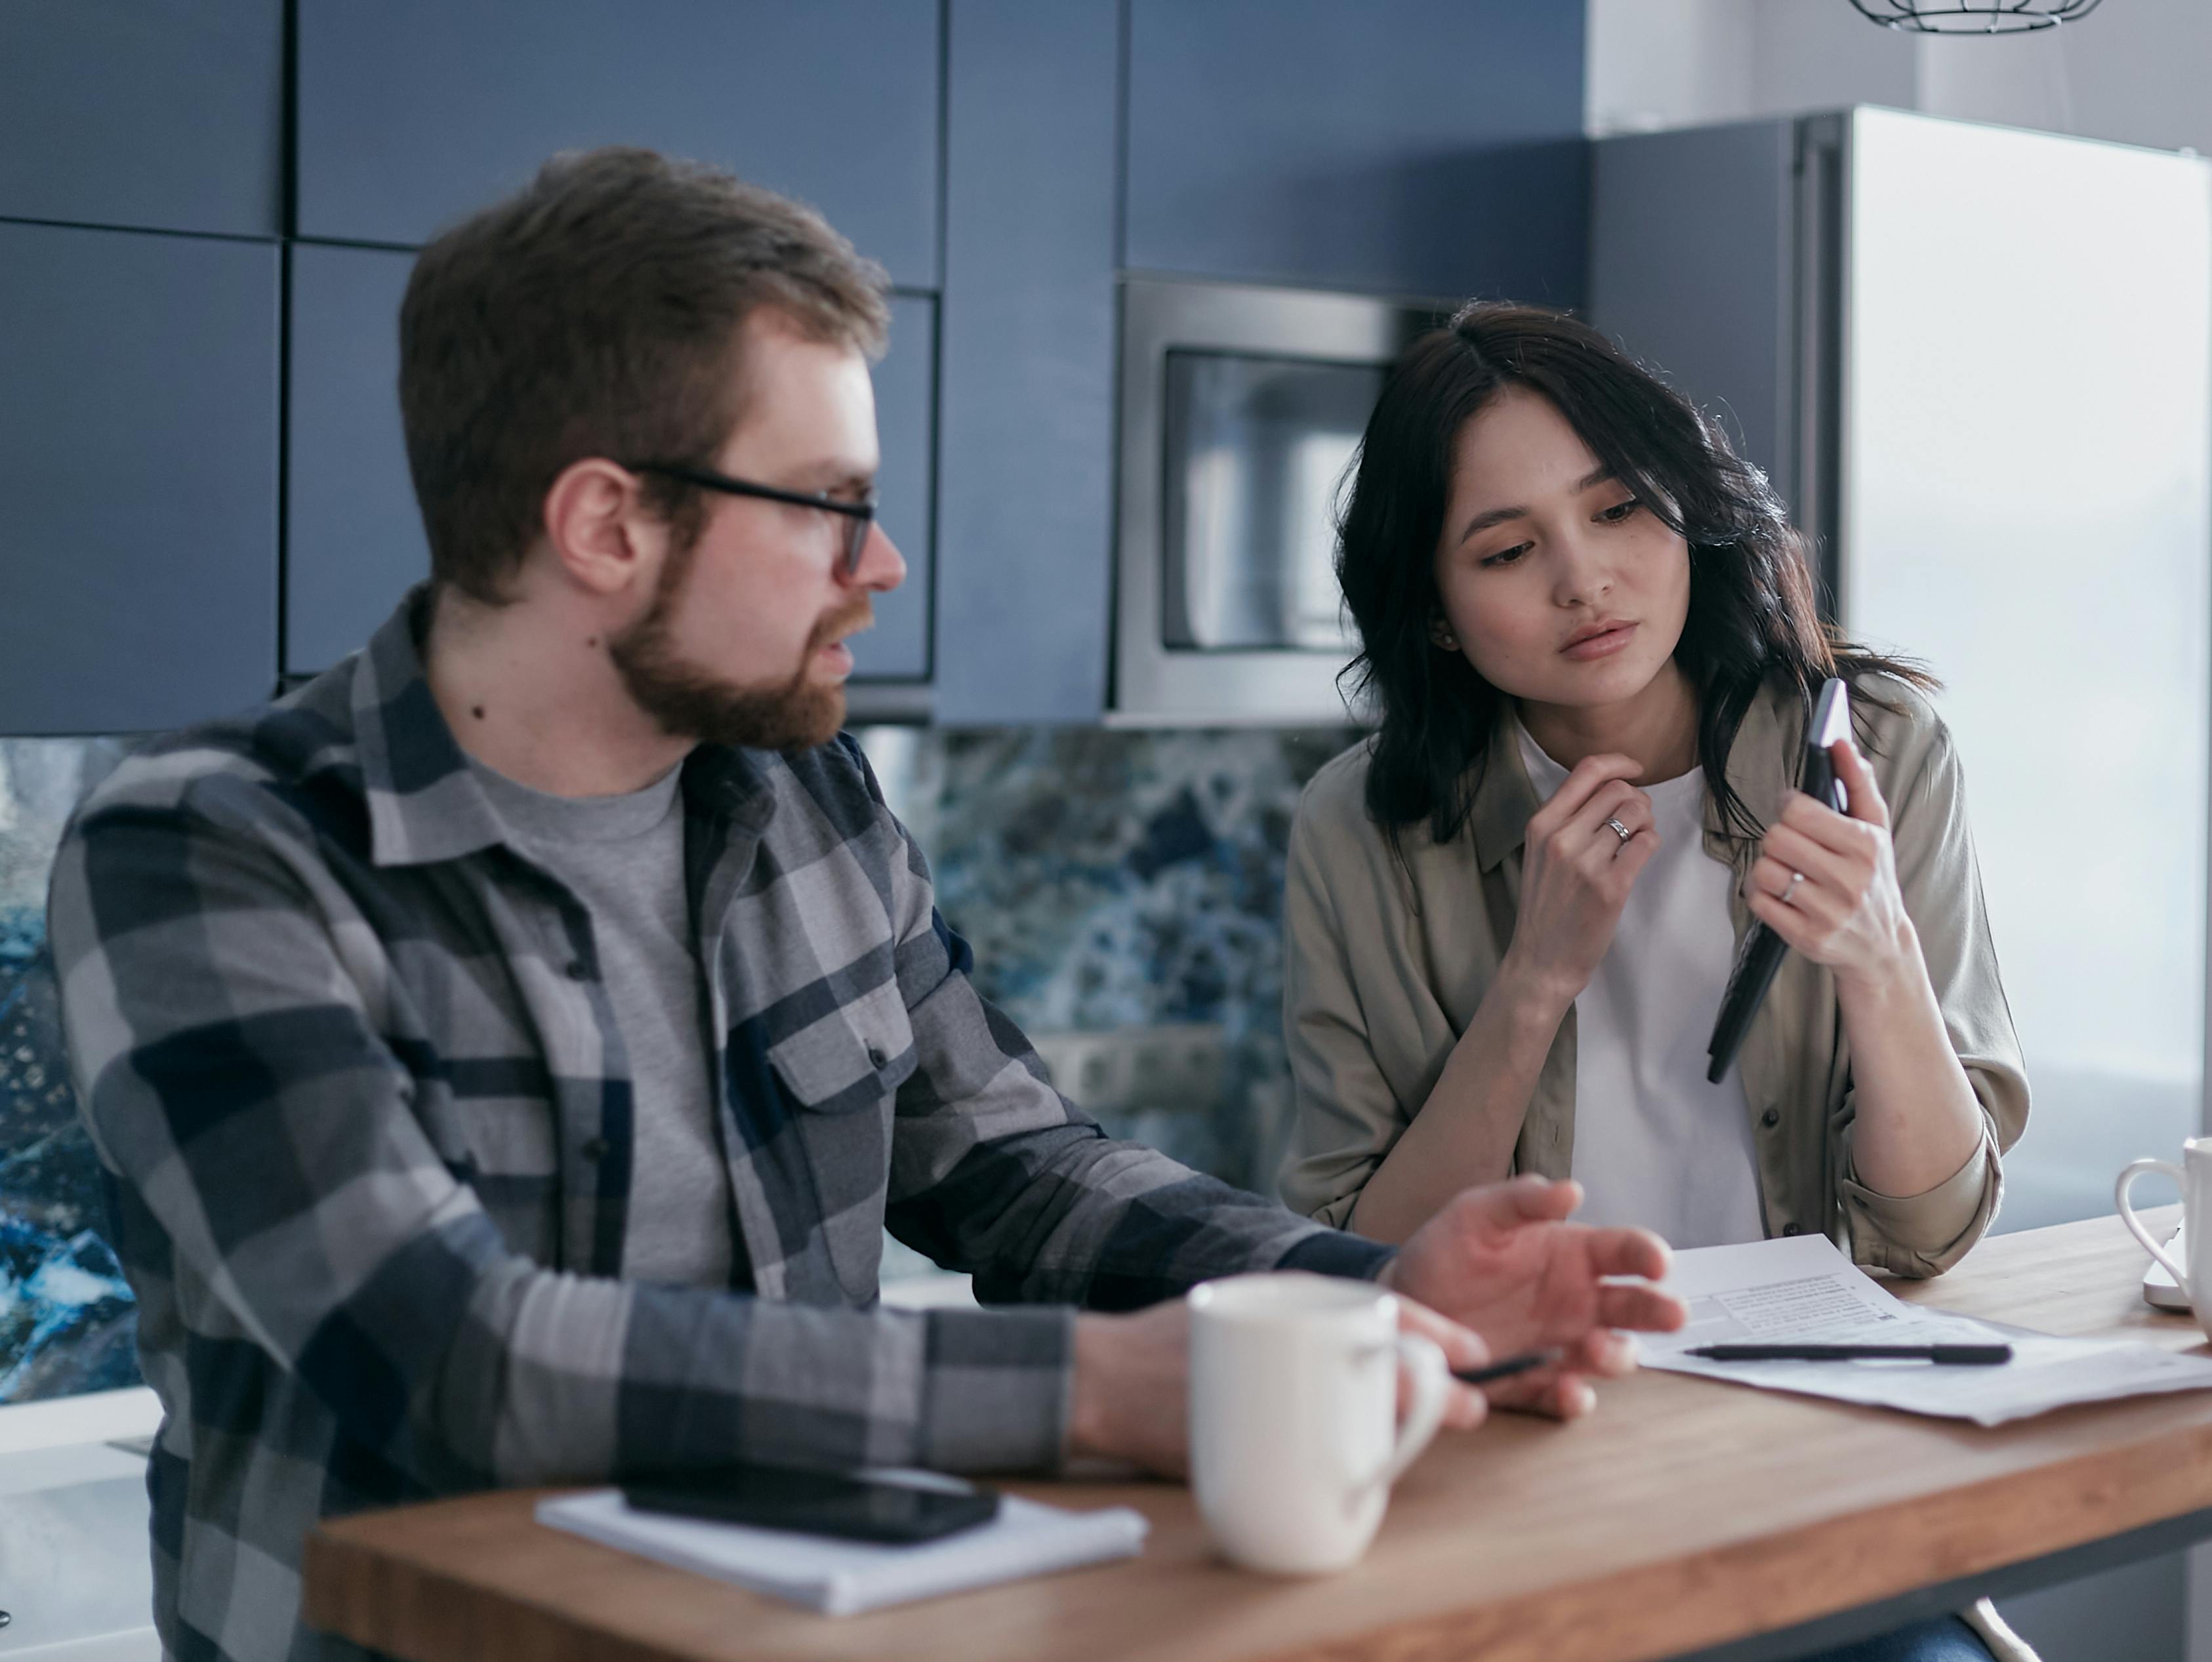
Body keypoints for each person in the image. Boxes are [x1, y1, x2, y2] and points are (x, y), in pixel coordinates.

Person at [47, 155, 1684, 1662]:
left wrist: (1352, 1295)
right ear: (608, 522)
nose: (883, 561)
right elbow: (458, 1359)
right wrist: (1110, 1391)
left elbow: (1020, 1173)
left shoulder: (800, 797)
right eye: (828, 501)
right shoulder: (213, 851)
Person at [1275, 303, 2032, 1662]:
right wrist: (1533, 984)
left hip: (1819, 1460)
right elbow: (1362, 1273)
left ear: (1688, 509)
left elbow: (1933, 1232)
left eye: (1620, 510)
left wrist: (1880, 956)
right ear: (1436, 616)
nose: (1585, 580)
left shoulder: (1881, 752)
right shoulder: (1361, 831)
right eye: (1508, 550)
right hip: (1524, 1471)